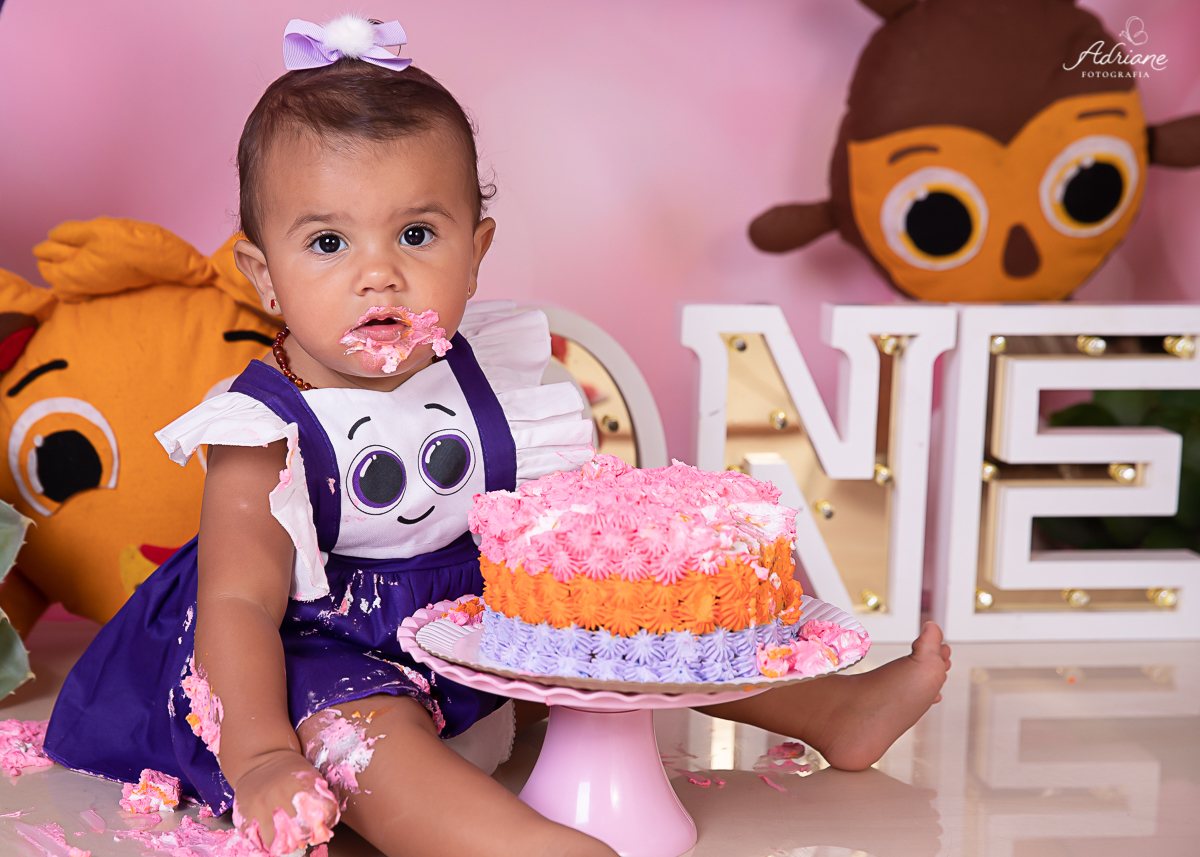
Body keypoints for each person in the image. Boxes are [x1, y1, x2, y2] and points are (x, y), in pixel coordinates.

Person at [44, 16, 950, 857]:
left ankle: (831, 709)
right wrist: (260, 757)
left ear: (476, 253)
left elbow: (553, 541)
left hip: (469, 624)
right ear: (264, 274)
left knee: (642, 627)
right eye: (327, 244)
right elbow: (239, 606)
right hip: (318, 655)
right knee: (363, 738)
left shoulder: (496, 377)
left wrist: (581, 611)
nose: (379, 274)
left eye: (416, 233)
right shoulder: (264, 428)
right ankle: (515, 842)